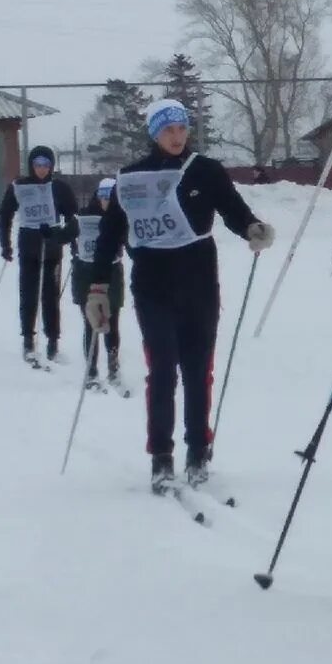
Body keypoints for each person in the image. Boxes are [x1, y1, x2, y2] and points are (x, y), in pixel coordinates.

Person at [85, 99, 275, 493]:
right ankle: (161, 455)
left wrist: (253, 228)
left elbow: (233, 210)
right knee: (163, 369)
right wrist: (98, 288)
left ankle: (197, 450)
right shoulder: (132, 176)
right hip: (152, 284)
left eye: (182, 128)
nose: (176, 136)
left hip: (199, 283)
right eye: (168, 129)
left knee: (197, 370)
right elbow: (110, 235)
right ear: (155, 133)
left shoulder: (205, 171)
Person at [0, 145, 80, 366]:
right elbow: (5, 215)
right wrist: (5, 245)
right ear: (31, 165)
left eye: (46, 164)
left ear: (51, 166)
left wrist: (72, 242)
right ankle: (28, 340)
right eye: (38, 164)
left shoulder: (60, 187)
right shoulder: (20, 186)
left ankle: (53, 342)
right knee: (29, 294)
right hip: (29, 245)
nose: (42, 169)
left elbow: (73, 218)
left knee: (50, 296)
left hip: (52, 245)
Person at [71, 177, 125, 388]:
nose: (105, 200)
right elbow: (69, 233)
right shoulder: (85, 215)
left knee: (112, 322)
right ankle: (91, 370)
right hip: (86, 272)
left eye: (110, 196)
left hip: (112, 272)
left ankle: (113, 366)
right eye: (102, 195)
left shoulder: (120, 217)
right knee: (90, 321)